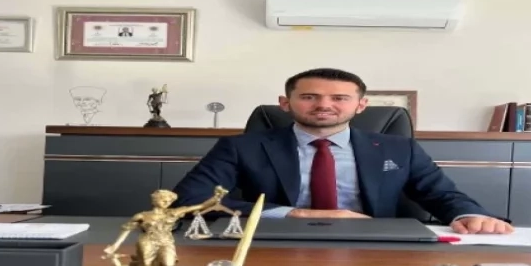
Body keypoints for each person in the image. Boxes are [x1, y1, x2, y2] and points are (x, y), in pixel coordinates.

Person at [173, 68, 513, 234]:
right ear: (285, 103)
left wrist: (467, 215)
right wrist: (298, 214)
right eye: (309, 97)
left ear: (361, 105)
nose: (324, 105)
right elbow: (188, 200)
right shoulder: (241, 146)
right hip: (276, 240)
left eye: (339, 98)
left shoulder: (399, 148)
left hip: (374, 243)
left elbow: (442, 194)